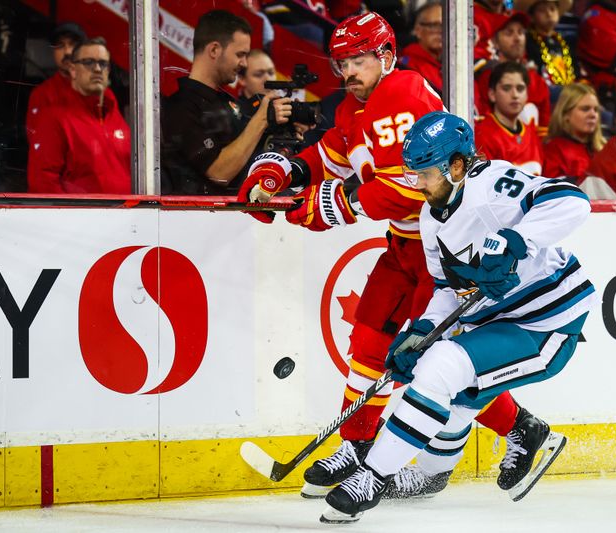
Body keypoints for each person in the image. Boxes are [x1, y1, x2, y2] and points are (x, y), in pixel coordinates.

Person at [238, 12, 522, 499]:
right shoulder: (354, 109)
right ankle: (359, 442)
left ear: (386, 56)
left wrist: (330, 205)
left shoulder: (402, 92)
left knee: (433, 356)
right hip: (403, 247)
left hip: (446, 250)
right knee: (369, 339)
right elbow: (331, 156)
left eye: (359, 60)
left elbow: (410, 188)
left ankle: (521, 427)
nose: (348, 71)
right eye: (342, 61)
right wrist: (282, 172)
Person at [320, 110, 597, 523]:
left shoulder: (493, 186)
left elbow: (573, 202)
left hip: (548, 323)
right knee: (448, 397)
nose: (417, 183)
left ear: (456, 165)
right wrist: (423, 331)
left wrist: (516, 239)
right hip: (503, 321)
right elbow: (447, 289)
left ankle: (371, 477)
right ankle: (436, 475)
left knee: (442, 367)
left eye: (425, 173)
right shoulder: (431, 218)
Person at [160, 10, 293, 195]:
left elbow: (248, 157)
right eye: (240, 54)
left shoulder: (228, 103)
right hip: (199, 219)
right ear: (214, 50)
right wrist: (261, 119)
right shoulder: (181, 107)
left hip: (240, 216)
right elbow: (219, 173)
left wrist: (283, 135)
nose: (245, 63)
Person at [27, 37, 131, 194]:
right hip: (82, 216)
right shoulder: (53, 118)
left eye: (103, 64)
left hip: (127, 215)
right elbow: (43, 182)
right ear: (73, 70)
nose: (97, 69)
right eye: (89, 62)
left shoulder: (114, 116)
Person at [474, 11, 551, 135]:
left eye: (521, 32)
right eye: (509, 33)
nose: (517, 38)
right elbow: (484, 124)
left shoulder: (538, 81)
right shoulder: (487, 75)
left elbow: (544, 131)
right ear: (495, 41)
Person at [475, 61, 544, 175]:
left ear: (527, 94)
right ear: (492, 94)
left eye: (520, 88)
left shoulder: (532, 133)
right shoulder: (482, 133)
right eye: (506, 88)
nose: (515, 95)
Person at [26, 22, 87, 144]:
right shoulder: (42, 94)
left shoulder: (99, 91)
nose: (67, 52)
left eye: (73, 44)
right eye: (60, 45)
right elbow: (38, 142)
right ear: (54, 52)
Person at [543, 83, 605, 179]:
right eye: (585, 109)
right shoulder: (553, 150)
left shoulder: (604, 149)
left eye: (596, 110)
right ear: (566, 114)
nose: (593, 115)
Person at [518, 0, 578, 91]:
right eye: (542, 10)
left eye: (552, 9)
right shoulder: (527, 41)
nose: (549, 14)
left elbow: (575, 71)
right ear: (532, 16)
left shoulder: (564, 42)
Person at [400, 2, 443, 93]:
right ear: (417, 30)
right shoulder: (407, 66)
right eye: (433, 25)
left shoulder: (455, 63)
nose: (440, 31)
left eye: (444, 26)